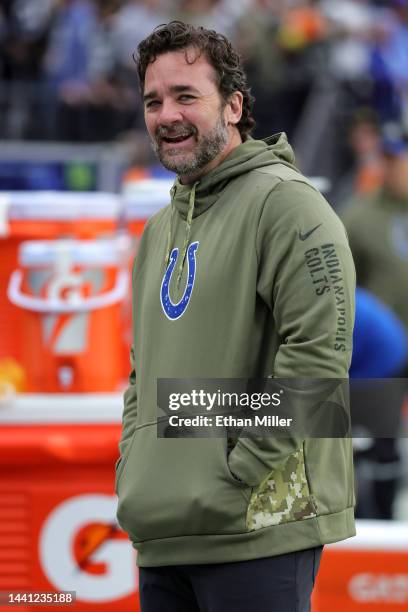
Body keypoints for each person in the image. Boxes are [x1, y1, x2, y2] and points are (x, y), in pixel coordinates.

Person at [116, 21, 356, 612]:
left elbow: (320, 354)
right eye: (153, 101)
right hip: (165, 532)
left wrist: (241, 465)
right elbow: (141, 374)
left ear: (234, 105)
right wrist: (134, 463)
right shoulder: (157, 230)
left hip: (259, 529)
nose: (166, 114)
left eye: (186, 96)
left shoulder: (286, 203)